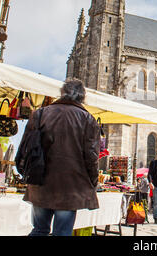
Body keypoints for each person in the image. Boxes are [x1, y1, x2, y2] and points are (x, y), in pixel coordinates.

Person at [23, 79, 100, 236]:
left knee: (39, 230)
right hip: (69, 187)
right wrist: (93, 181)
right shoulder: (88, 120)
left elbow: (25, 149)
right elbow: (91, 157)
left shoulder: (39, 114)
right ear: (82, 97)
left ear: (62, 93)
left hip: (40, 182)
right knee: (62, 232)